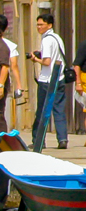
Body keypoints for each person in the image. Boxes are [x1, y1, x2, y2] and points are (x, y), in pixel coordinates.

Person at [30, 12, 68, 150]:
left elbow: (46, 62)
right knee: (59, 110)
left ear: (49, 25)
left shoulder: (46, 40)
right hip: (60, 78)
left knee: (42, 110)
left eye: (41, 25)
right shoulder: (57, 38)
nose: (39, 27)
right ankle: (62, 139)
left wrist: (35, 59)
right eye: (37, 24)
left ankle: (38, 140)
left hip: (47, 80)